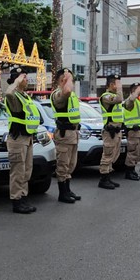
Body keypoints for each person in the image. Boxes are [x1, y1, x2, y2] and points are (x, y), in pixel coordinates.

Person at [3, 66, 40, 213]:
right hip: (18, 139)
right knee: (18, 172)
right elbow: (7, 93)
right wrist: (16, 81)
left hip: (28, 138)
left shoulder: (25, 96)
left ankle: (23, 197)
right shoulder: (14, 95)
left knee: (26, 171)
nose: (26, 79)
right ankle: (16, 201)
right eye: (23, 77)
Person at [50, 68, 81, 203]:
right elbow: (67, 91)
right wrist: (68, 78)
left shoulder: (72, 95)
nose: (72, 83)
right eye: (70, 80)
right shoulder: (58, 94)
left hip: (73, 133)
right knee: (63, 164)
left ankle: (68, 190)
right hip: (64, 134)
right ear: (63, 80)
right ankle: (62, 193)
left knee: (70, 164)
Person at [97, 74, 124, 190]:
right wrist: (120, 89)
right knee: (107, 155)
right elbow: (119, 99)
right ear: (111, 84)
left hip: (116, 131)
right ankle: (103, 179)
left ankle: (108, 177)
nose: (118, 86)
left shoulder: (113, 96)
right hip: (110, 131)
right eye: (117, 83)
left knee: (113, 155)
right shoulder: (106, 96)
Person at [123, 82, 140, 180]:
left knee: (138, 152)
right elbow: (130, 101)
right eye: (139, 89)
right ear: (134, 91)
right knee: (132, 152)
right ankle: (129, 172)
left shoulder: (138, 102)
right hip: (133, 131)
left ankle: (133, 171)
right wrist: (135, 92)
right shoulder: (130, 101)